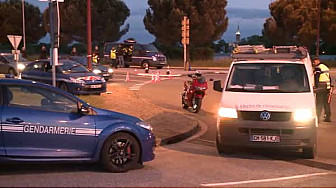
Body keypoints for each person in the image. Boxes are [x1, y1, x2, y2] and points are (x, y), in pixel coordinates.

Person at [313, 57, 332, 122]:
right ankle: (328, 117)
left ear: (318, 61)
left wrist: (315, 86)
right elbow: (329, 77)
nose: (313, 63)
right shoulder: (325, 67)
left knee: (319, 103)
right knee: (326, 103)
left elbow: (316, 77)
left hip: (320, 87)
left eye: (314, 62)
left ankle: (317, 118)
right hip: (327, 87)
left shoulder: (318, 68)